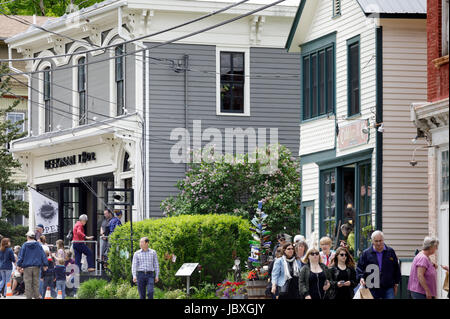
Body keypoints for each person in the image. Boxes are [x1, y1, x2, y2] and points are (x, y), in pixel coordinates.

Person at [356, 230, 401, 299]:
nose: (379, 243)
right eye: (376, 241)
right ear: (372, 241)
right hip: (372, 288)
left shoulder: (390, 252)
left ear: (383, 240)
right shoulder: (366, 253)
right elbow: (359, 268)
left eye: (380, 240)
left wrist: (396, 283)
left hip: (388, 287)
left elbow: (396, 268)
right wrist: (361, 277)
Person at [17, 231, 48, 299]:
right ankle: (37, 297)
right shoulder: (38, 245)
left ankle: (29, 297)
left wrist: (19, 265)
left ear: (28, 237)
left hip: (27, 267)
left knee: (28, 283)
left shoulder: (24, 245)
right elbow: (43, 255)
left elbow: (21, 256)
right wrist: (45, 264)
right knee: (36, 283)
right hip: (36, 266)